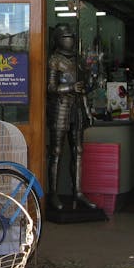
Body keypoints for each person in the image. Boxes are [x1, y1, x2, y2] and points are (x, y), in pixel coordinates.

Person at [46, 23, 96, 211]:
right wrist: (68, 88)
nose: (71, 40)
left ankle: (78, 192)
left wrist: (88, 111)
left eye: (72, 37)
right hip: (60, 108)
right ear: (59, 39)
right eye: (67, 37)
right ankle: (53, 194)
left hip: (76, 109)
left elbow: (82, 89)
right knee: (56, 152)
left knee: (78, 151)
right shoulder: (54, 60)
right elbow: (50, 87)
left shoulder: (78, 60)